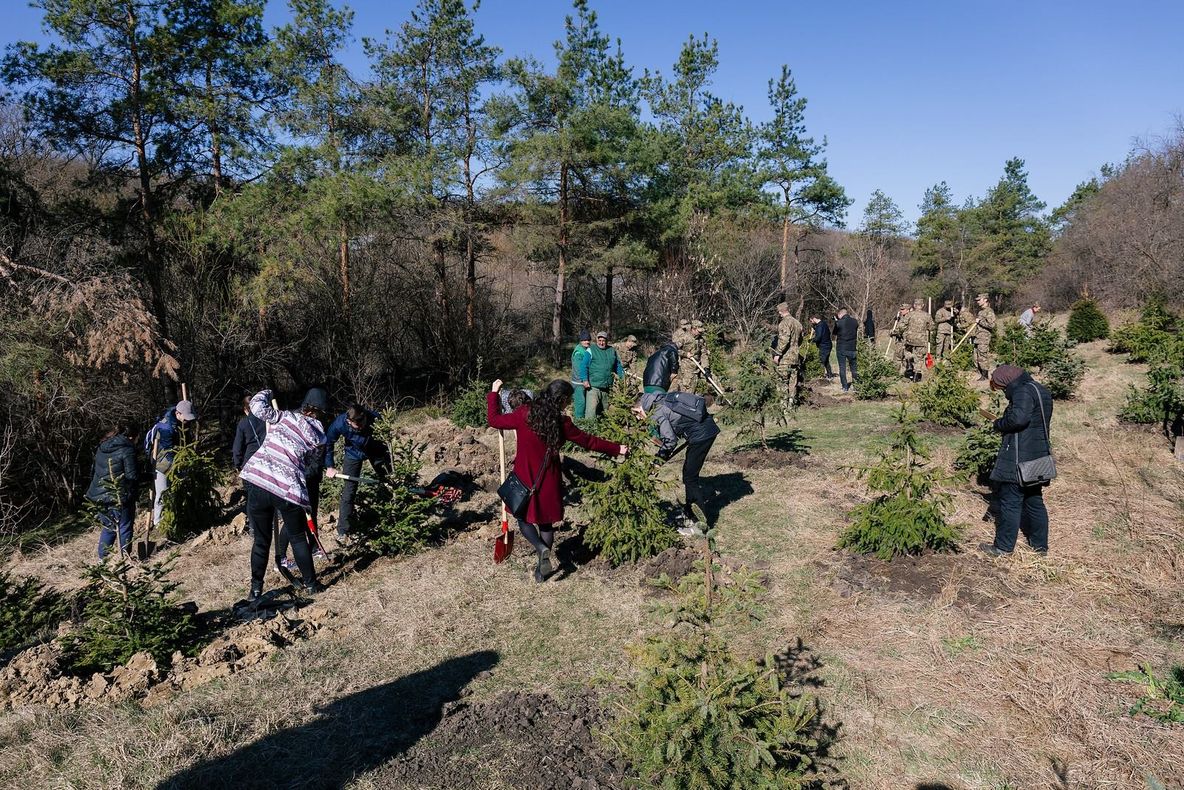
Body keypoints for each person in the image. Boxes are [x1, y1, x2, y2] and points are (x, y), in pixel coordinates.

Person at [487, 379, 627, 582]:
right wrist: (617, 448)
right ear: (561, 400)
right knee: (546, 524)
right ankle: (541, 570)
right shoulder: (563, 423)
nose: (568, 404)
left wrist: (493, 393)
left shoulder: (523, 413)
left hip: (525, 475)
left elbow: (494, 420)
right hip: (548, 478)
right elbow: (589, 441)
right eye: (568, 400)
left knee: (523, 518)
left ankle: (540, 547)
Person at [240, 388, 328, 599]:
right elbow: (310, 462)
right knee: (298, 537)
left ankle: (255, 590)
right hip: (287, 488)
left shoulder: (284, 416)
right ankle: (311, 585)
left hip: (257, 480)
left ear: (305, 405)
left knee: (261, 541)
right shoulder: (320, 436)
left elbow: (256, 406)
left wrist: (268, 392)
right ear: (323, 412)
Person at [982, 364, 1052, 556]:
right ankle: (1040, 547)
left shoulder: (1022, 392)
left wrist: (998, 423)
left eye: (1001, 387)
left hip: (1019, 458)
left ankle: (1003, 547)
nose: (1003, 391)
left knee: (1010, 502)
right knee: (1034, 501)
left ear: (1007, 381)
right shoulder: (1040, 390)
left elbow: (1018, 420)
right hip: (1037, 456)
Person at [633, 392, 720, 536]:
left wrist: (658, 461)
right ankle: (688, 511)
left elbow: (670, 440)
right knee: (689, 474)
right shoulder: (658, 399)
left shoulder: (656, 411)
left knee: (690, 477)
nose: (638, 418)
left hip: (702, 436)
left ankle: (699, 524)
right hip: (703, 430)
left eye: (636, 415)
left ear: (638, 409)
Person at [324, 403, 392, 541]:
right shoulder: (339, 424)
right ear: (349, 421)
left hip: (376, 450)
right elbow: (328, 443)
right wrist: (329, 466)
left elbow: (386, 434)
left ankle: (393, 513)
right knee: (349, 490)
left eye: (363, 422)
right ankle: (343, 530)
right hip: (353, 454)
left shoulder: (374, 417)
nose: (361, 426)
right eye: (357, 425)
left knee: (389, 481)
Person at [85, 425, 138, 560]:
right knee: (124, 526)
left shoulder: (102, 447)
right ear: (132, 437)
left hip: (98, 495)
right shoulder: (127, 449)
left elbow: (93, 472)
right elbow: (132, 476)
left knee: (108, 527)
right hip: (119, 495)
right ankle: (125, 558)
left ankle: (102, 560)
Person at [148, 399, 197, 528]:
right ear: (178, 413)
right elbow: (168, 451)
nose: (187, 421)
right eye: (185, 418)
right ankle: (158, 522)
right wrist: (178, 464)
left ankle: (178, 515)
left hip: (176, 460)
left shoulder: (182, 423)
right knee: (162, 492)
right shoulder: (166, 428)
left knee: (178, 490)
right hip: (161, 463)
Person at [772, 302, 804, 418]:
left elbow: (784, 340)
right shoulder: (798, 323)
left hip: (785, 358)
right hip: (795, 357)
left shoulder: (784, 323)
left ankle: (783, 407)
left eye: (779, 312)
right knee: (793, 382)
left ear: (781, 311)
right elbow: (801, 339)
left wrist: (777, 354)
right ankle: (791, 405)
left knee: (782, 381)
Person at [585, 331, 624, 417]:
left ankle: (603, 428)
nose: (601, 343)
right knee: (591, 411)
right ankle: (588, 428)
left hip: (607, 387)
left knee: (605, 411)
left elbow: (618, 366)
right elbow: (584, 366)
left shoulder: (612, 350)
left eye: (604, 340)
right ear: (597, 340)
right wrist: (585, 380)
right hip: (593, 386)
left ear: (607, 341)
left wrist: (623, 378)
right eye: (600, 340)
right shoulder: (591, 350)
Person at [903, 298, 934, 381]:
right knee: (919, 358)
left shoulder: (909, 315)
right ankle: (916, 375)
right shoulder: (927, 315)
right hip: (921, 340)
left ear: (914, 305)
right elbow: (932, 327)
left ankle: (909, 362)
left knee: (907, 351)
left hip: (910, 338)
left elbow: (903, 325)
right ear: (923, 306)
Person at [833, 308, 860, 392]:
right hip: (852, 347)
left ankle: (845, 387)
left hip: (841, 348)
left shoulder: (839, 322)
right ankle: (856, 386)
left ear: (840, 314)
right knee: (854, 367)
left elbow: (834, 332)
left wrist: (836, 321)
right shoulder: (855, 321)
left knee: (842, 367)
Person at [973, 293, 997, 380]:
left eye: (979, 300)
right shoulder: (981, 312)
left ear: (985, 300)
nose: (978, 302)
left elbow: (992, 325)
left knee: (982, 356)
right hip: (978, 337)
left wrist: (980, 322)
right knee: (975, 357)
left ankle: (985, 375)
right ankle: (981, 374)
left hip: (984, 338)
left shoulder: (989, 311)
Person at [570, 329, 593, 419]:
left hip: (585, 380)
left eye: (588, 340)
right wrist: (584, 380)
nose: (587, 342)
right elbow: (579, 369)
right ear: (581, 341)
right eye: (584, 340)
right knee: (580, 403)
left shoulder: (587, 349)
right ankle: (578, 422)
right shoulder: (578, 352)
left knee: (585, 402)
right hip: (579, 382)